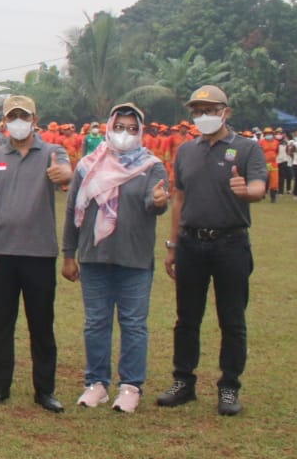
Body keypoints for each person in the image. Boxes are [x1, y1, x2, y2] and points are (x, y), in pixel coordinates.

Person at [159, 85, 267, 416]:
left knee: (232, 319)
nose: (203, 116)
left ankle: (229, 386)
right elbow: (179, 198)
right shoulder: (186, 151)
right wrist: (173, 245)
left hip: (230, 244)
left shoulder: (247, 148)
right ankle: (183, 381)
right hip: (191, 243)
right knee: (186, 318)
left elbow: (259, 186)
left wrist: (247, 191)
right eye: (197, 111)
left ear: (226, 112)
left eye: (210, 110)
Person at [63, 103, 170, 413]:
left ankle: (130, 386)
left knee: (133, 324)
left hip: (135, 259)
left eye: (132, 128)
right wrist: (68, 254)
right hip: (94, 257)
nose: (125, 133)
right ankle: (96, 383)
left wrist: (159, 201)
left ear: (141, 131)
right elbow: (72, 210)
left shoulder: (151, 166)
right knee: (96, 322)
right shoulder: (87, 165)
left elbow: (154, 201)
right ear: (109, 127)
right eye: (120, 127)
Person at [0, 95, 72, 413]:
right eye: (12, 117)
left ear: (35, 119)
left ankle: (44, 390)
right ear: (4, 122)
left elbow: (66, 173)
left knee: (41, 324)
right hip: (0, 252)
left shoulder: (52, 152)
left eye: (24, 116)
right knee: (1, 323)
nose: (18, 122)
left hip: (39, 252)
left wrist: (64, 175)